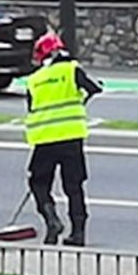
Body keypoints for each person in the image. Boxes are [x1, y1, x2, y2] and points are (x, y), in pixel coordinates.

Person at [25, 32, 103, 246]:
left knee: (38, 183)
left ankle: (51, 220)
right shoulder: (72, 70)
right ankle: (78, 233)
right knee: (74, 186)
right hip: (71, 138)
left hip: (44, 139)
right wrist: (80, 100)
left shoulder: (34, 80)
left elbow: (31, 108)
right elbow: (93, 88)